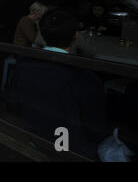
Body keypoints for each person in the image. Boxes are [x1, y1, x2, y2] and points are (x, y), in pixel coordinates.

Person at [10, 9, 107, 159]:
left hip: (35, 136)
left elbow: (16, 104)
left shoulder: (23, 66)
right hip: (71, 148)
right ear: (75, 36)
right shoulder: (83, 77)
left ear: (42, 34)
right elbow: (95, 127)